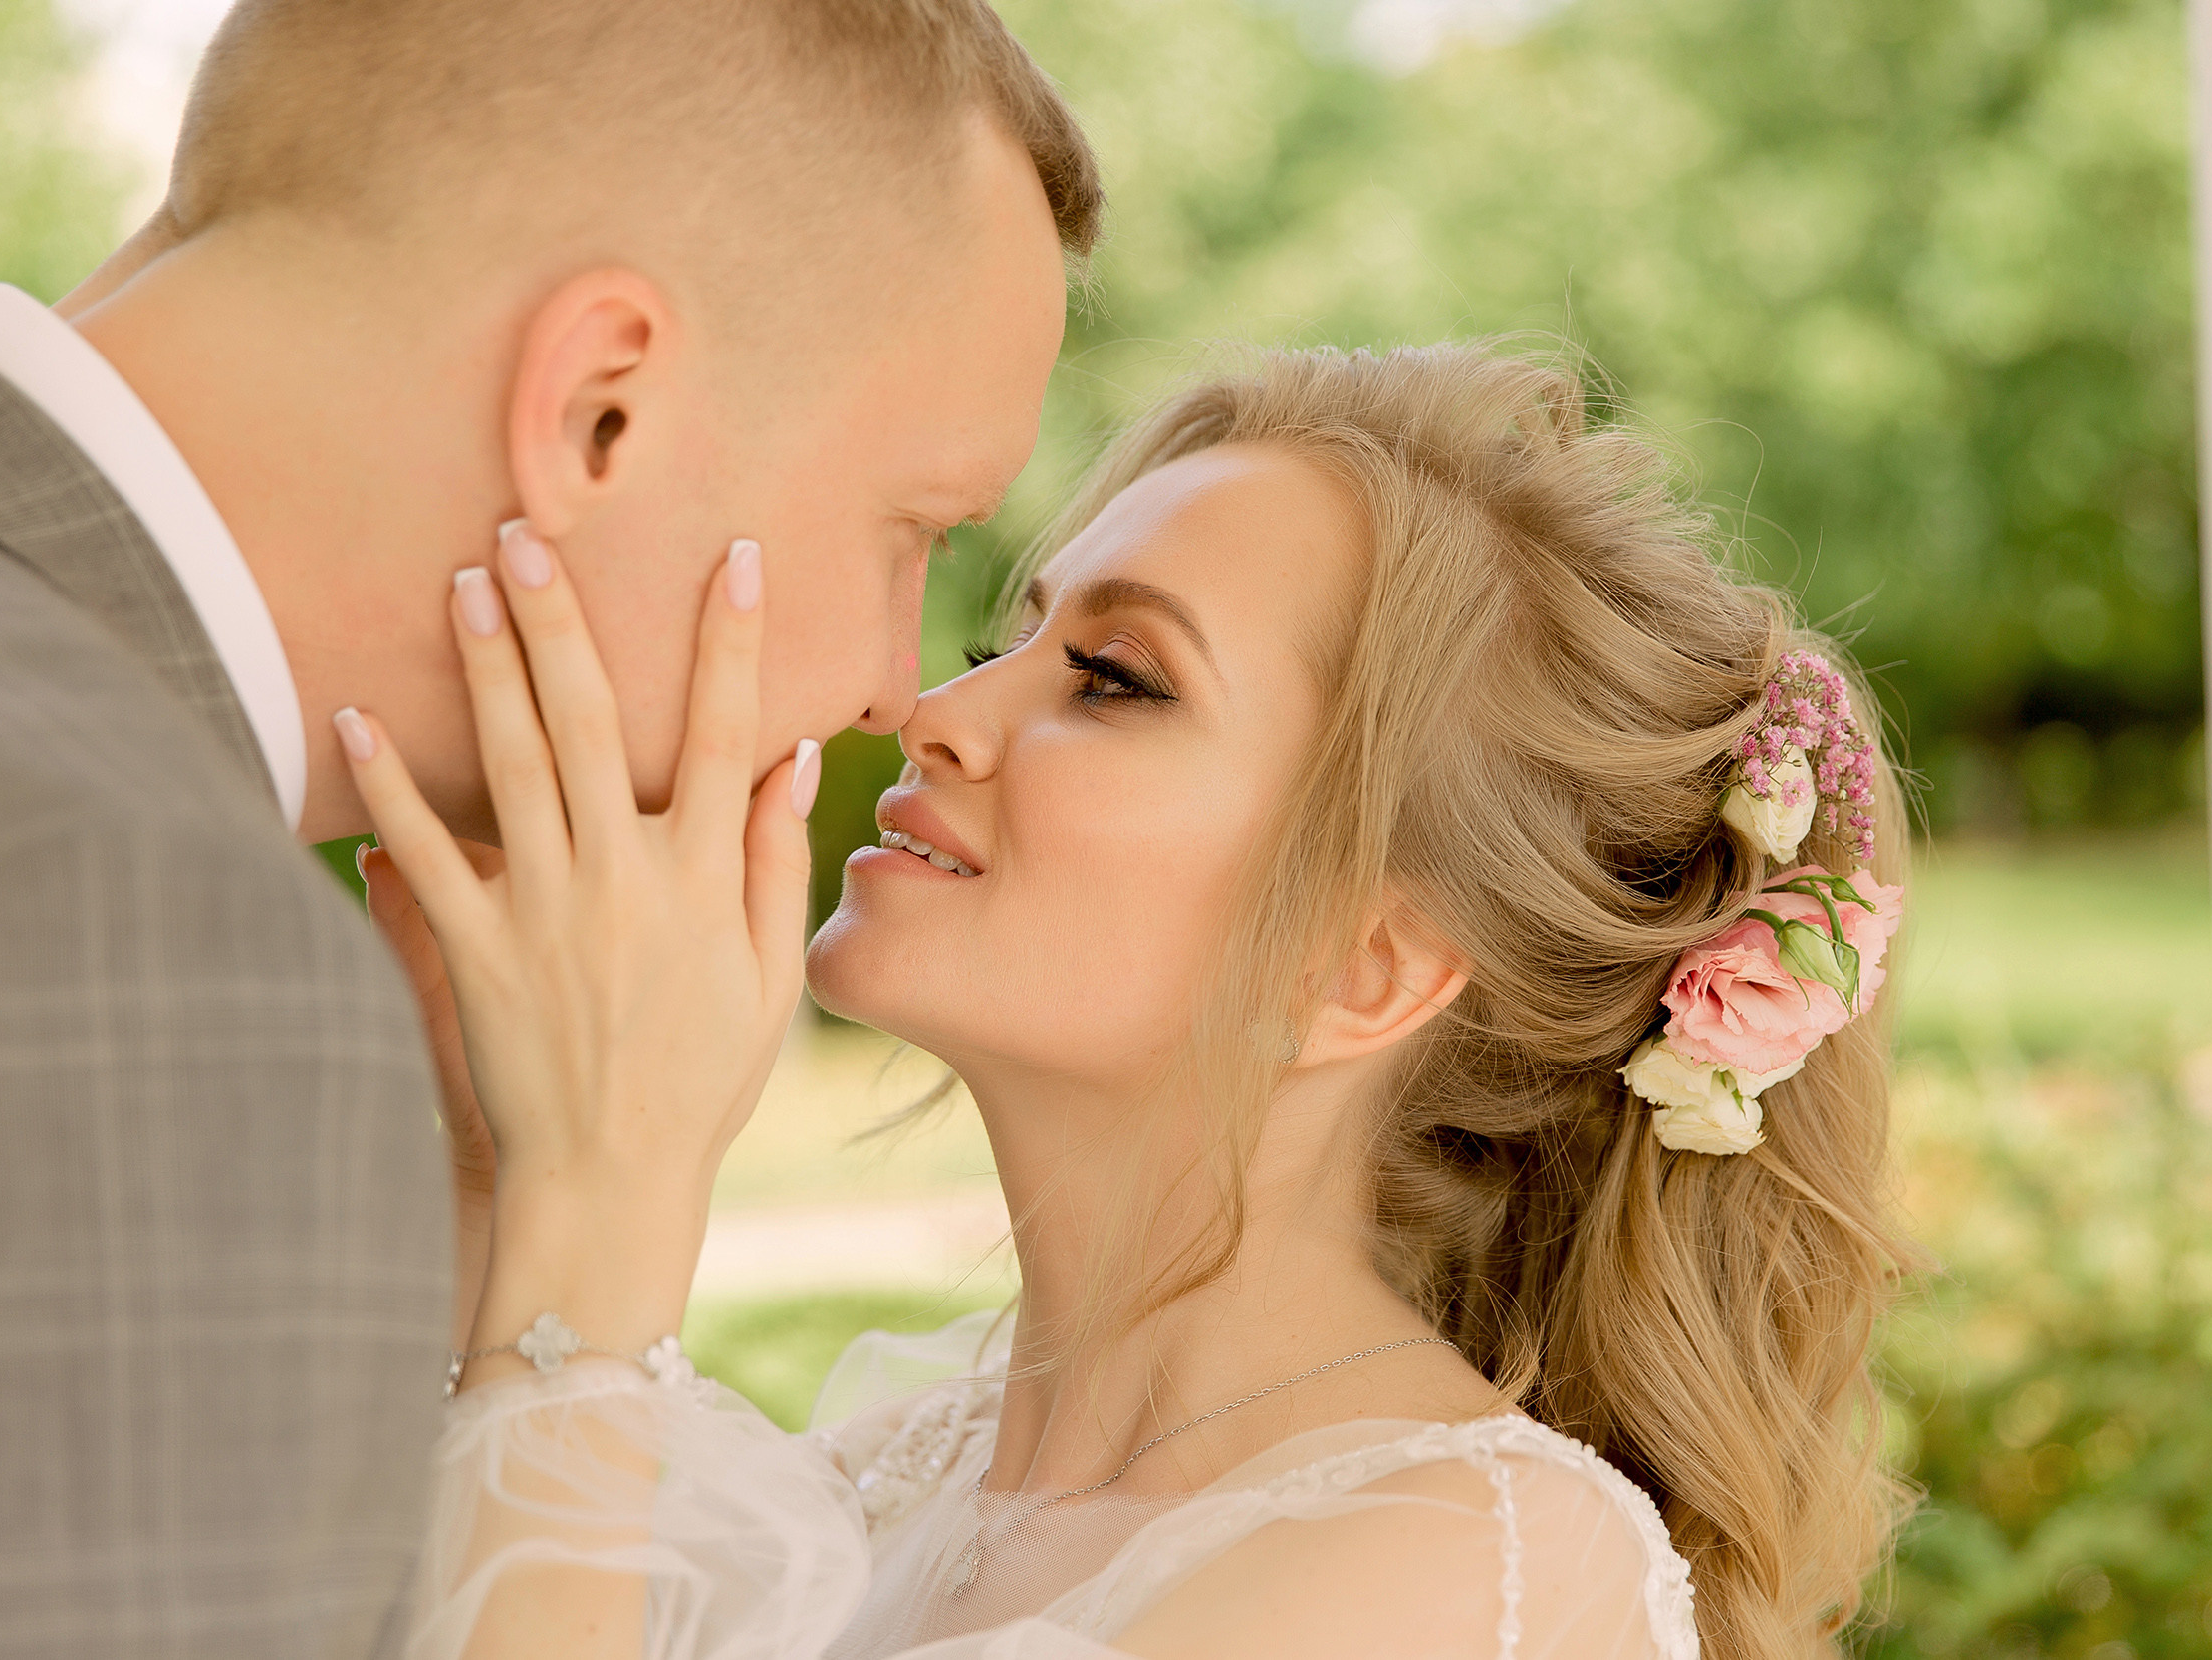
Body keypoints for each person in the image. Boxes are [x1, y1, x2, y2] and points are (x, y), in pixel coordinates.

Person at [352, 343, 1915, 1659]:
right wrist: (504, 1173)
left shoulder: (1465, 1570)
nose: (932, 713)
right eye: (1005, 638)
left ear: (1361, 968)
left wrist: (604, 1193)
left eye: (1114, 678)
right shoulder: (886, 1482)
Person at [0, 2, 1097, 1654]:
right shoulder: (131, 921)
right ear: (602, 407)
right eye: (915, 530)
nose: (893, 683)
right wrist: (590, 1270)